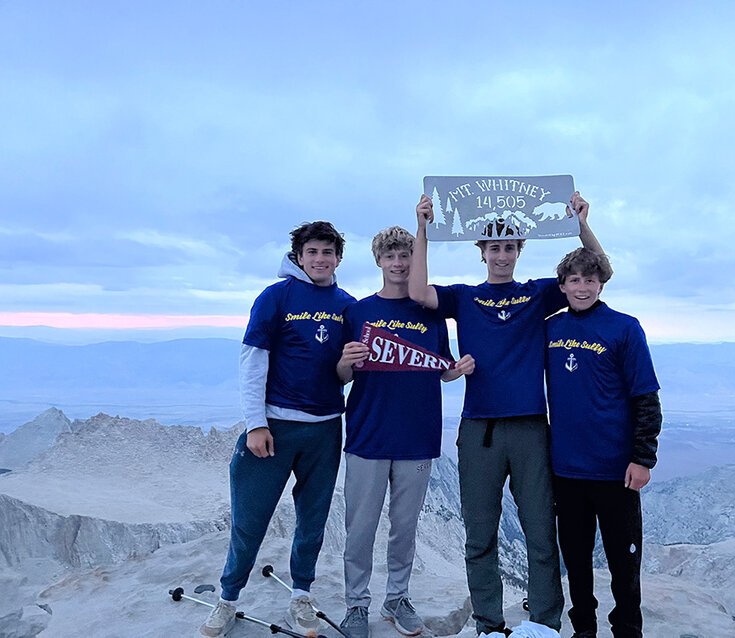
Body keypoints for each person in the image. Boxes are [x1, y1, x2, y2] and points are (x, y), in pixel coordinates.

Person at [408, 191, 603, 638]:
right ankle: (489, 626)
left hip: (531, 427)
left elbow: (597, 267)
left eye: (509, 246)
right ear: (482, 253)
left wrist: (581, 223)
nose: (501, 254)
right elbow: (419, 292)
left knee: (539, 530)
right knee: (480, 536)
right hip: (480, 429)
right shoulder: (465, 297)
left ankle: (545, 625)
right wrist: (422, 229)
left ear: (519, 251)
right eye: (493, 247)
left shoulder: (537, 294)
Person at [201, 221, 355, 638]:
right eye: (312, 252)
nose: (320, 259)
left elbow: (344, 372)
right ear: (298, 256)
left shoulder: (346, 303)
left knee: (313, 518)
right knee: (250, 518)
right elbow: (253, 362)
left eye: (328, 252)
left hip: (325, 427)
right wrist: (256, 424)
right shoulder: (276, 296)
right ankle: (228, 598)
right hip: (276, 426)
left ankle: (301, 594)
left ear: (338, 258)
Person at [335, 226, 475, 638]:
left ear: (416, 261)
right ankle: (356, 605)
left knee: (405, 527)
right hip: (367, 434)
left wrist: (458, 371)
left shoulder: (431, 313)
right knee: (359, 528)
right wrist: (345, 360)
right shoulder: (356, 312)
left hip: (417, 435)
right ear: (378, 261)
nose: (398, 264)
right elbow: (340, 375)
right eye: (391, 256)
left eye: (406, 257)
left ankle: (397, 598)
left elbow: (442, 370)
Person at [545, 247, 662, 638]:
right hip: (566, 469)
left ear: (602, 283)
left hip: (616, 470)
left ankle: (627, 629)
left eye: (590, 279)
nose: (582, 287)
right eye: (574, 280)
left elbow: (646, 397)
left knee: (623, 563)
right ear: (561, 285)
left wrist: (643, 458)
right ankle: (584, 629)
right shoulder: (551, 329)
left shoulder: (624, 328)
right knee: (575, 560)